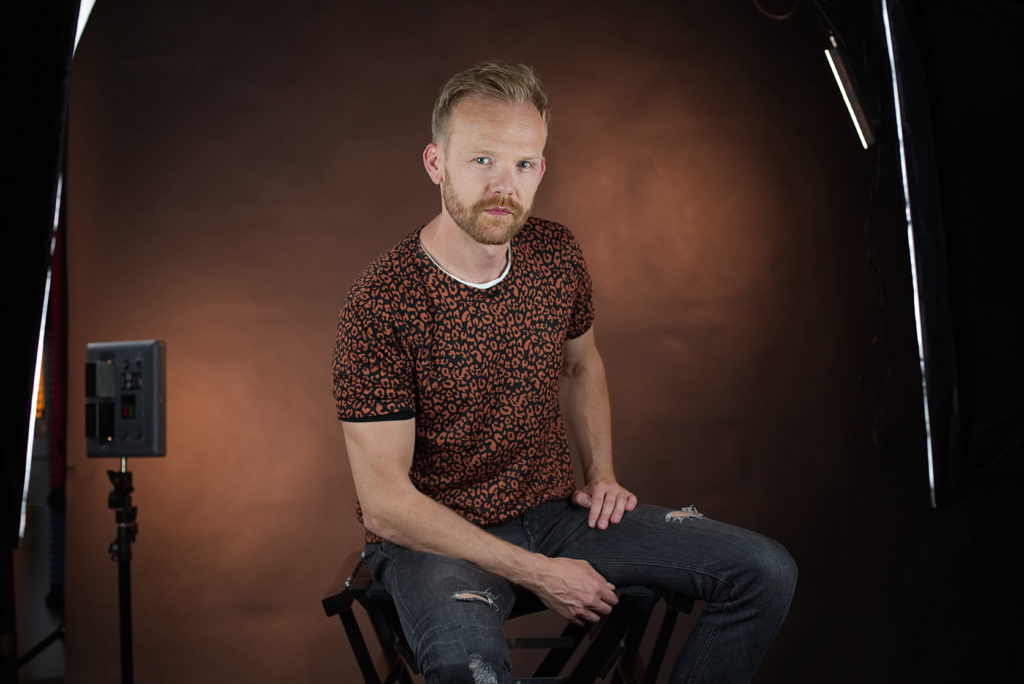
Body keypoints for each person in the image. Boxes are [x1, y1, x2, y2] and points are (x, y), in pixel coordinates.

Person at [333, 61, 797, 684]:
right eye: (482, 160)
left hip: (552, 515)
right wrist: (538, 572)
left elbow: (580, 366)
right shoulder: (381, 300)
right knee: (469, 672)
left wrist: (601, 474)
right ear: (436, 163)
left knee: (765, 572)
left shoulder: (555, 255)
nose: (504, 185)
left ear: (541, 169)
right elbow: (385, 506)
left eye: (524, 164)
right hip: (437, 541)